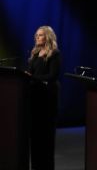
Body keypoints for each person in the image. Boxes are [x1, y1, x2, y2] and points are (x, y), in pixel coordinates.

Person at [26, 26, 61, 170]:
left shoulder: (54, 54)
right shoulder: (34, 54)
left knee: (46, 138)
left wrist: (33, 78)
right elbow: (30, 74)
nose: (37, 37)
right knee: (35, 137)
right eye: (36, 35)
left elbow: (52, 76)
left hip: (47, 100)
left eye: (40, 35)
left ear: (47, 37)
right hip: (35, 99)